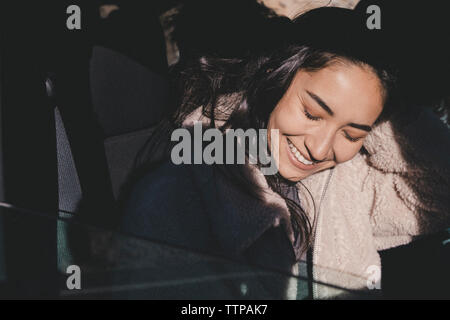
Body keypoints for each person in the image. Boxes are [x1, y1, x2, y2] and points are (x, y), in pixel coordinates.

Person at [118, 6, 450, 299]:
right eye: (312, 113)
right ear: (274, 76)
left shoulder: (350, 183)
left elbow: (440, 187)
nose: (319, 149)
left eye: (351, 134)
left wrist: (387, 105)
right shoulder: (180, 190)